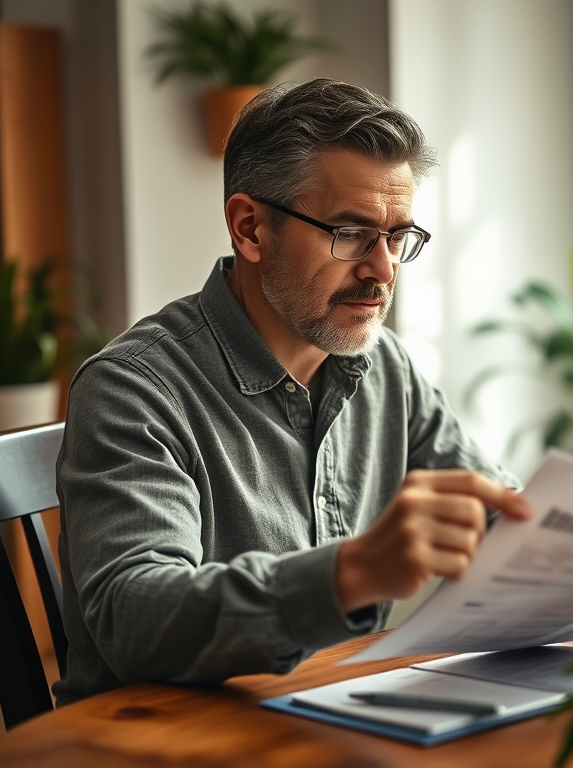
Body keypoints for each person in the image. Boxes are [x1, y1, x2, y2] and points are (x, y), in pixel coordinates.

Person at [53, 78, 543, 705]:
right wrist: (349, 575)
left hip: (339, 717)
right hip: (169, 742)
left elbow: (498, 517)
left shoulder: (385, 366)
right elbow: (134, 617)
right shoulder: (134, 390)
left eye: (397, 237)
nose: (383, 270)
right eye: (350, 234)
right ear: (250, 228)